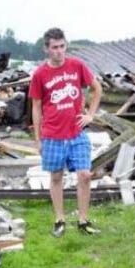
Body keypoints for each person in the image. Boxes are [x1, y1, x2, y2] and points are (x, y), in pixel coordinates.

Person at [28, 27, 102, 237]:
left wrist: (91, 115)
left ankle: (83, 220)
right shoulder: (40, 74)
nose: (59, 51)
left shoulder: (77, 66)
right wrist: (38, 139)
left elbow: (97, 88)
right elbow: (35, 106)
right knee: (56, 177)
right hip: (52, 134)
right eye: (54, 48)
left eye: (62, 46)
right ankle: (60, 219)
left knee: (85, 175)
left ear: (66, 45)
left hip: (76, 132)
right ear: (46, 49)